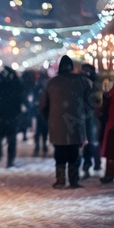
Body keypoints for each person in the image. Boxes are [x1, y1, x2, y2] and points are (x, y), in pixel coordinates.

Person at [39, 55, 92, 189]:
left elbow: (43, 105)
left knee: (60, 151)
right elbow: (90, 102)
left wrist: (50, 119)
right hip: (76, 123)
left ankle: (60, 179)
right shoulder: (82, 81)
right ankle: (73, 180)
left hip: (57, 124)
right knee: (74, 151)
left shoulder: (52, 83)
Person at [0, 66, 25, 168]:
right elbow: (20, 97)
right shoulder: (15, 83)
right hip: (11, 115)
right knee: (11, 139)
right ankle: (10, 159)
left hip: (0, 114)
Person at [80, 63, 103, 179]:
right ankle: (91, 164)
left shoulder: (81, 82)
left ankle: (89, 164)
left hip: (86, 115)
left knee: (89, 141)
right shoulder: (95, 83)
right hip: (89, 114)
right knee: (91, 141)